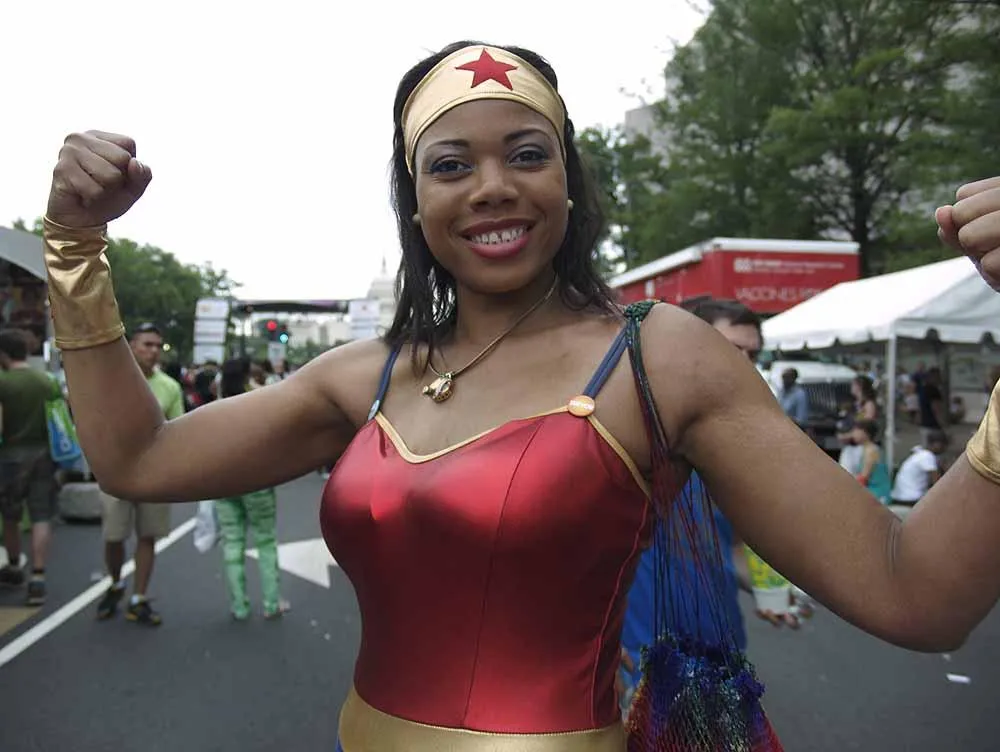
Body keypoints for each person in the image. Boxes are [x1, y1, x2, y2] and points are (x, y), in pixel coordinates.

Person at [37, 40, 1000, 751]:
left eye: (527, 154)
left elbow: (915, 594)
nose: (492, 186)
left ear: (569, 181)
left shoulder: (662, 356)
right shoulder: (362, 375)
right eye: (451, 165)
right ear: (415, 202)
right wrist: (75, 249)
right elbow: (137, 458)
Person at [619, 297, 802, 715]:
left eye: (753, 354)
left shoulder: (744, 456)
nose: (745, 366)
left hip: (721, 661)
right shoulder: (623, 440)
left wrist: (770, 592)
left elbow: (732, 547)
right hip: (641, 667)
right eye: (731, 349)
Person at [94, 323, 184, 626]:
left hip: (154, 476)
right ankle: (116, 583)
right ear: (132, 346)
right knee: (114, 536)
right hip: (115, 473)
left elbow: (179, 429)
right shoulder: (109, 382)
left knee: (148, 536)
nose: (154, 351)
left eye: (158, 345)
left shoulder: (169, 386)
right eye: (147, 344)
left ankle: (139, 598)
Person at [214, 358, 286, 621]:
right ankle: (271, 603)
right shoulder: (257, 399)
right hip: (256, 480)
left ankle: (239, 606)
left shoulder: (214, 406)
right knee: (265, 540)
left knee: (232, 542)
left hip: (223, 480)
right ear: (247, 375)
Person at [0, 329, 62, 606]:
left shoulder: (3, 382)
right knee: (41, 516)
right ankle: (38, 576)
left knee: (10, 516)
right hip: (43, 456)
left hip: (9, 457)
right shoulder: (47, 381)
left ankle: (14, 567)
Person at [891, 430, 948, 507]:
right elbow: (937, 483)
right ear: (937, 444)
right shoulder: (927, 456)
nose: (945, 449)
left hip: (899, 497)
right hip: (911, 499)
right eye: (944, 446)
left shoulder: (919, 453)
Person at [851, 419, 892, 505]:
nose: (853, 434)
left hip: (877, 492)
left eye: (856, 431)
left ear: (866, 433)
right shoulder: (866, 449)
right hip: (871, 490)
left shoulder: (871, 450)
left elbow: (863, 477)